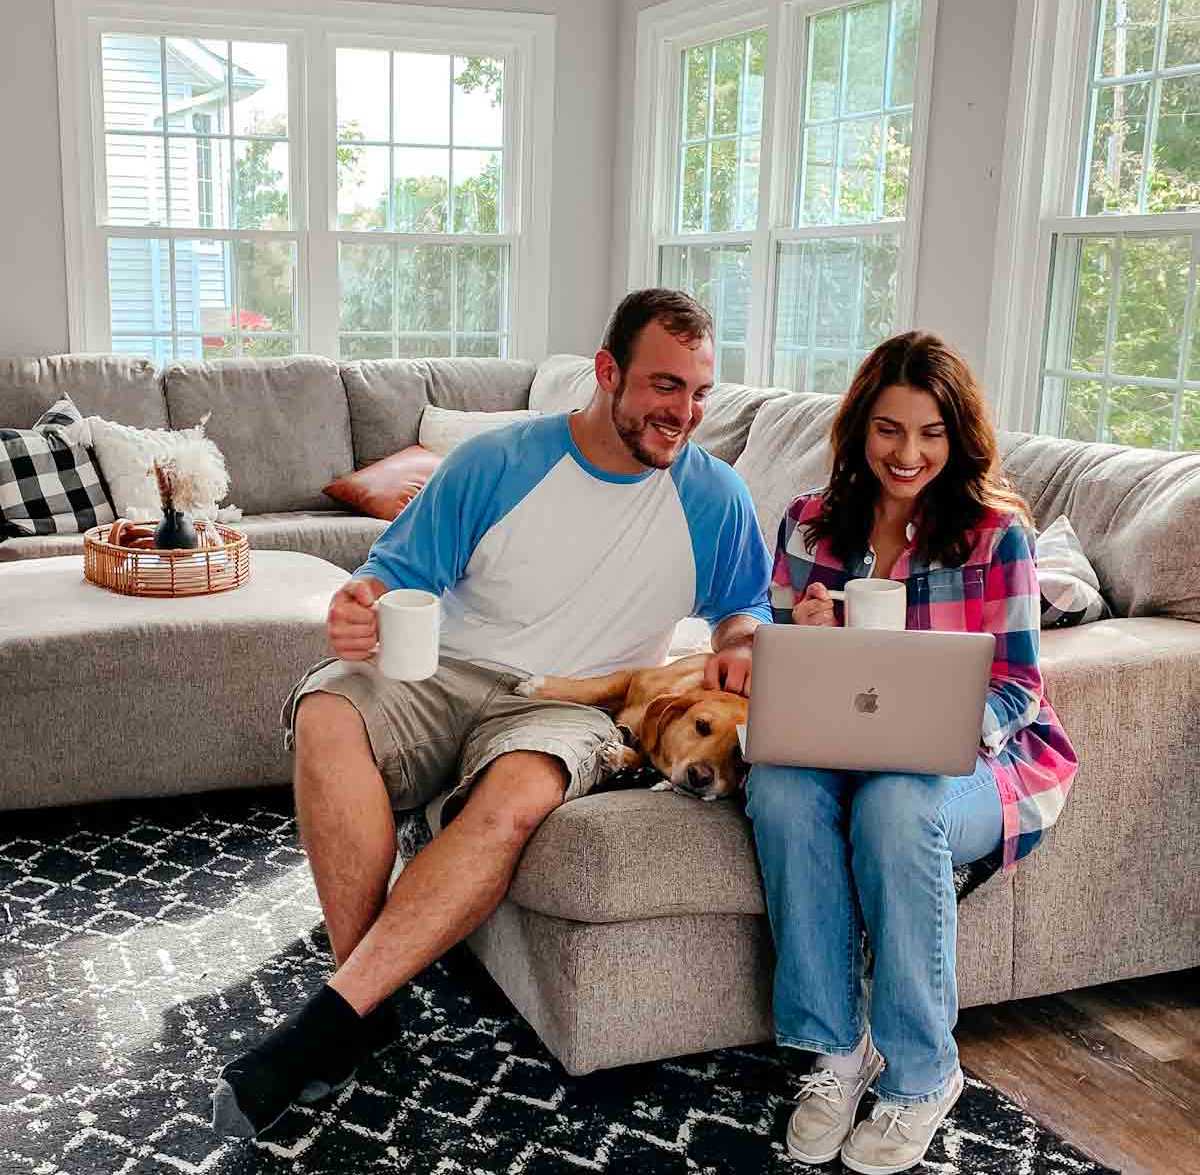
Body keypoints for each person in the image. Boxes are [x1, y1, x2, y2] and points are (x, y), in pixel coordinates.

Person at [209, 288, 772, 1138]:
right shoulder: (497, 462)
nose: (683, 412)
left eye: (698, 393)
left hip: (576, 700)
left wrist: (745, 637)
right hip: (448, 668)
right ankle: (363, 994)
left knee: (519, 796)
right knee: (328, 707)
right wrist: (362, 600)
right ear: (608, 372)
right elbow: (397, 571)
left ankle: (328, 1025)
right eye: (664, 387)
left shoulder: (714, 497)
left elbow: (745, 606)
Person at [741, 332, 1078, 1174]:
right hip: (836, 752)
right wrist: (807, 640)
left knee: (898, 801)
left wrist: (932, 735)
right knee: (779, 788)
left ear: (957, 437)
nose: (910, 453)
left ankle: (925, 1074)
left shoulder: (995, 537)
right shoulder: (809, 524)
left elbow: (1018, 689)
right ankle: (836, 1051)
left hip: (982, 763)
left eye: (931, 433)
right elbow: (785, 677)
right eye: (890, 430)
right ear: (861, 428)